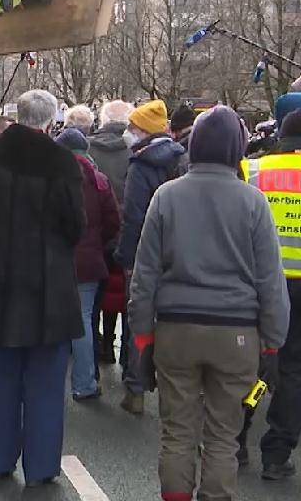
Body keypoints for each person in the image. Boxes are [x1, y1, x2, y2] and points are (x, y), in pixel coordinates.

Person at [129, 105, 290, 501]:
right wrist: (273, 340)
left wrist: (142, 336)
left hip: (176, 329)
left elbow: (144, 274)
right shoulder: (254, 203)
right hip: (236, 333)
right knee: (223, 435)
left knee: (177, 432)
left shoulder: (166, 197)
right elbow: (270, 279)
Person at [0, 90, 85, 485]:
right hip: (48, 285)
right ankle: (42, 467)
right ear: (50, 122)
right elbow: (74, 225)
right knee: (45, 386)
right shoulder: (62, 161)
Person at [235, 111, 301, 479]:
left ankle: (236, 441)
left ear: (280, 137)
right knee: (295, 373)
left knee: (248, 364)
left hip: (256, 285)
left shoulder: (253, 170)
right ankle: (277, 455)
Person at [117, 99, 185, 415]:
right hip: (180, 253)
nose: (127, 133)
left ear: (143, 130)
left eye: (132, 127)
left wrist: (127, 257)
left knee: (139, 321)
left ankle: (135, 390)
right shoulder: (182, 160)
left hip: (145, 253)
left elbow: (133, 216)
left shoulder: (141, 164)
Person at [56, 127, 120, 401]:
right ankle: (84, 383)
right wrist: (95, 241)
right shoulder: (99, 180)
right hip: (89, 260)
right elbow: (113, 221)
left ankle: (49, 382)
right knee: (82, 320)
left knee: (54, 322)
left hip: (56, 258)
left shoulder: (51, 178)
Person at [89, 99, 134, 364]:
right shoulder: (134, 150)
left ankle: (98, 347)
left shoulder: (90, 148)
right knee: (126, 295)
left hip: (96, 233)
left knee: (96, 296)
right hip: (126, 230)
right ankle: (126, 355)